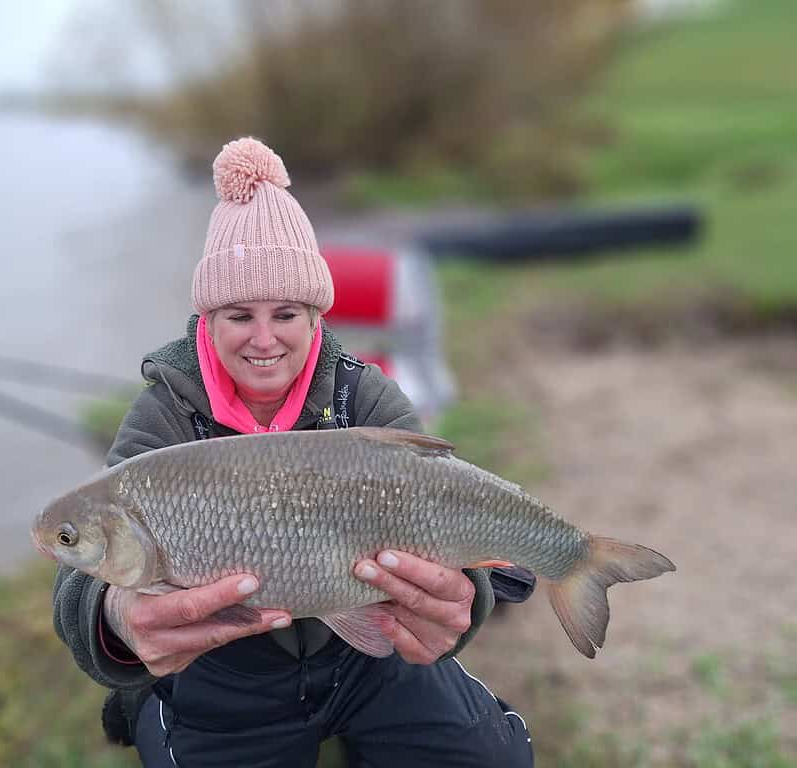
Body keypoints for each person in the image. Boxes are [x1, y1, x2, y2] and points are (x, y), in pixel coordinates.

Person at [52, 137, 534, 767]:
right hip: (222, 679)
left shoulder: (365, 397)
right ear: (205, 319)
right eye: (236, 315)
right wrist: (115, 616)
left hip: (367, 654)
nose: (262, 340)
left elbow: (446, 523)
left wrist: (462, 603)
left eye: (285, 313)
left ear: (315, 316)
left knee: (491, 759)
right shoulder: (164, 413)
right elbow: (76, 587)